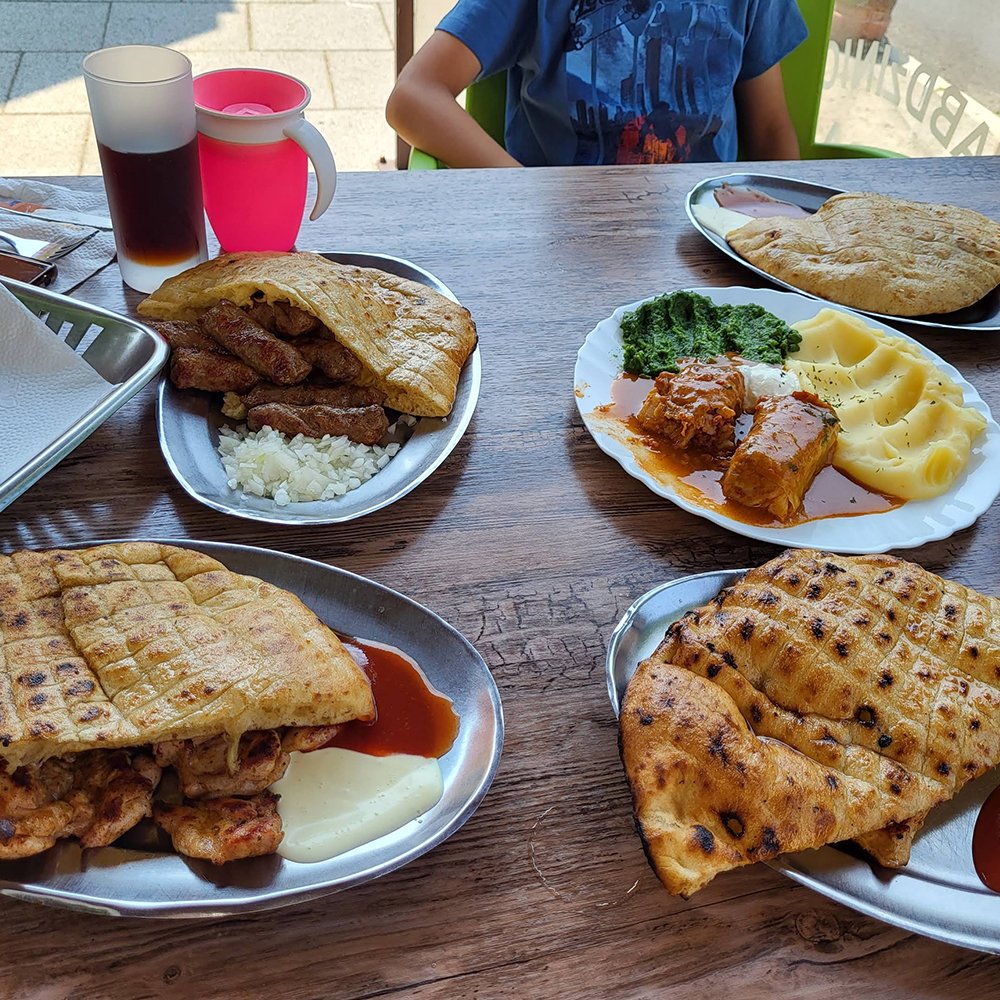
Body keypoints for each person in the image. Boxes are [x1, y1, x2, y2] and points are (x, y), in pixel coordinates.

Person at [386, 1, 808, 168]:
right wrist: (521, 192)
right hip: (559, 240)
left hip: (703, 240)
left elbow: (770, 130)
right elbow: (414, 95)